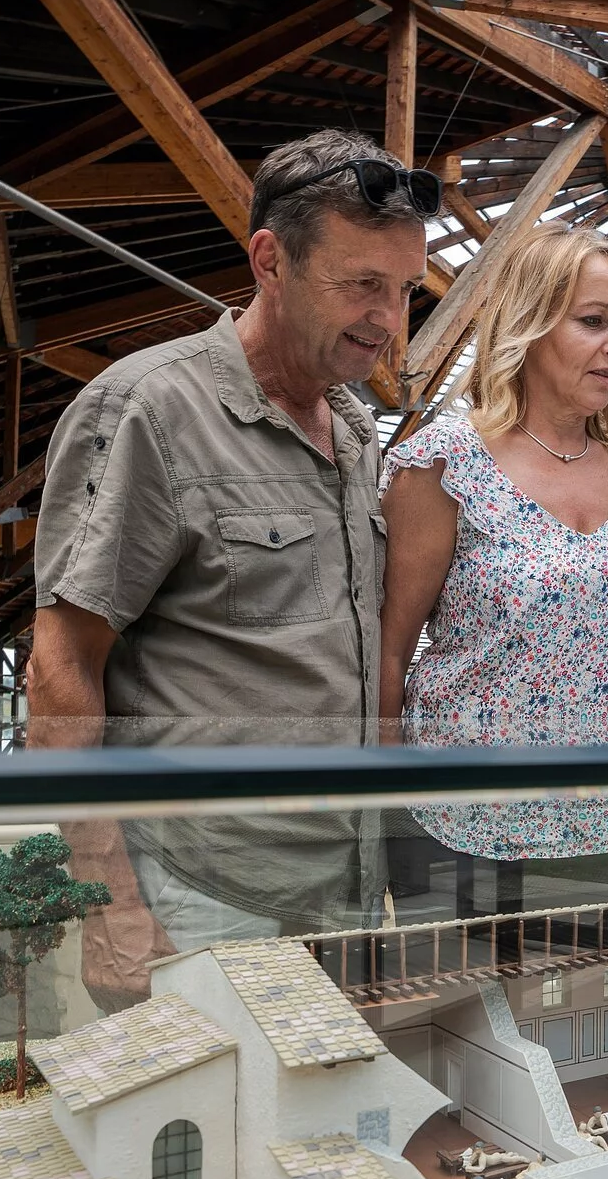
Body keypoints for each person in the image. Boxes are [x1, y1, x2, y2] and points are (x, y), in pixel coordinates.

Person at [31, 129, 437, 1007]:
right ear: (270, 259)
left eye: (405, 290)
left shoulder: (357, 431)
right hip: (205, 900)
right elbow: (62, 668)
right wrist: (109, 908)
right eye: (362, 283)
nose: (388, 318)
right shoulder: (151, 409)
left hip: (349, 895)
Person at [379, 224, 608, 922]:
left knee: (587, 1021)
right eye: (594, 321)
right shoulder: (446, 461)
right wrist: (380, 794)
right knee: (455, 1022)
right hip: (458, 817)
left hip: (603, 822)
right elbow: (390, 646)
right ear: (530, 324)